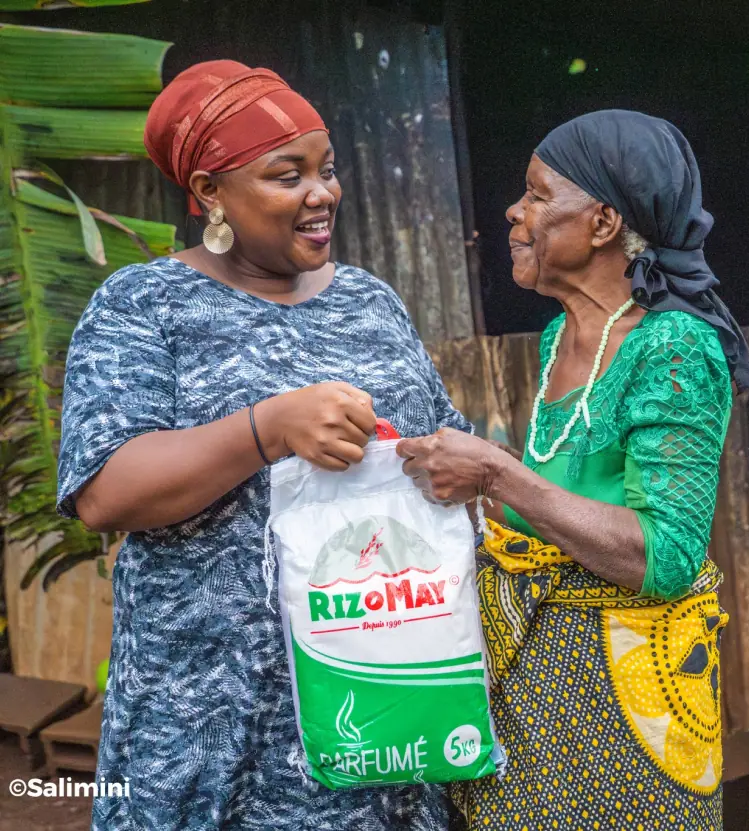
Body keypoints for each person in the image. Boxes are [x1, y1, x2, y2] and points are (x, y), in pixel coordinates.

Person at [56, 60, 461, 829]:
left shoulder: (371, 302)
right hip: (206, 727)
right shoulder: (145, 304)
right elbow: (106, 490)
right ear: (209, 191)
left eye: (328, 169)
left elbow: (439, 456)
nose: (323, 194)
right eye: (288, 175)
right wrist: (265, 427)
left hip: (379, 717)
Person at [395, 109, 749, 830]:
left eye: (535, 194)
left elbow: (666, 553)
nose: (514, 211)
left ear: (602, 222)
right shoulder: (564, 333)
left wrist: (496, 473)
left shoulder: (674, 346)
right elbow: (558, 508)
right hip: (540, 696)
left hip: (628, 707)